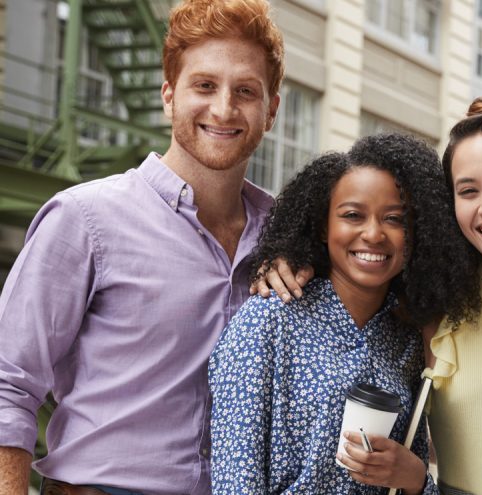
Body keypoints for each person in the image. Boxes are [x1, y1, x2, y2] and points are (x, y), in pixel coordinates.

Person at [252, 94, 482, 495]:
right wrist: (290, 259)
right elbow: (361, 266)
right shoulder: (432, 307)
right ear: (449, 207)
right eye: (468, 190)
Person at [0, 0, 283, 493]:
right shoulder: (84, 219)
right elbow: (8, 384)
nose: (223, 108)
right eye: (204, 85)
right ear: (169, 96)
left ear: (271, 110)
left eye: (245, 91)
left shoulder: (286, 236)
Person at [209, 133, 475, 493]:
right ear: (323, 225)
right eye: (353, 215)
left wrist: (415, 478)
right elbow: (235, 480)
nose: (374, 234)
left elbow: (405, 478)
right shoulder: (268, 320)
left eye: (395, 219)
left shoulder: (408, 340)